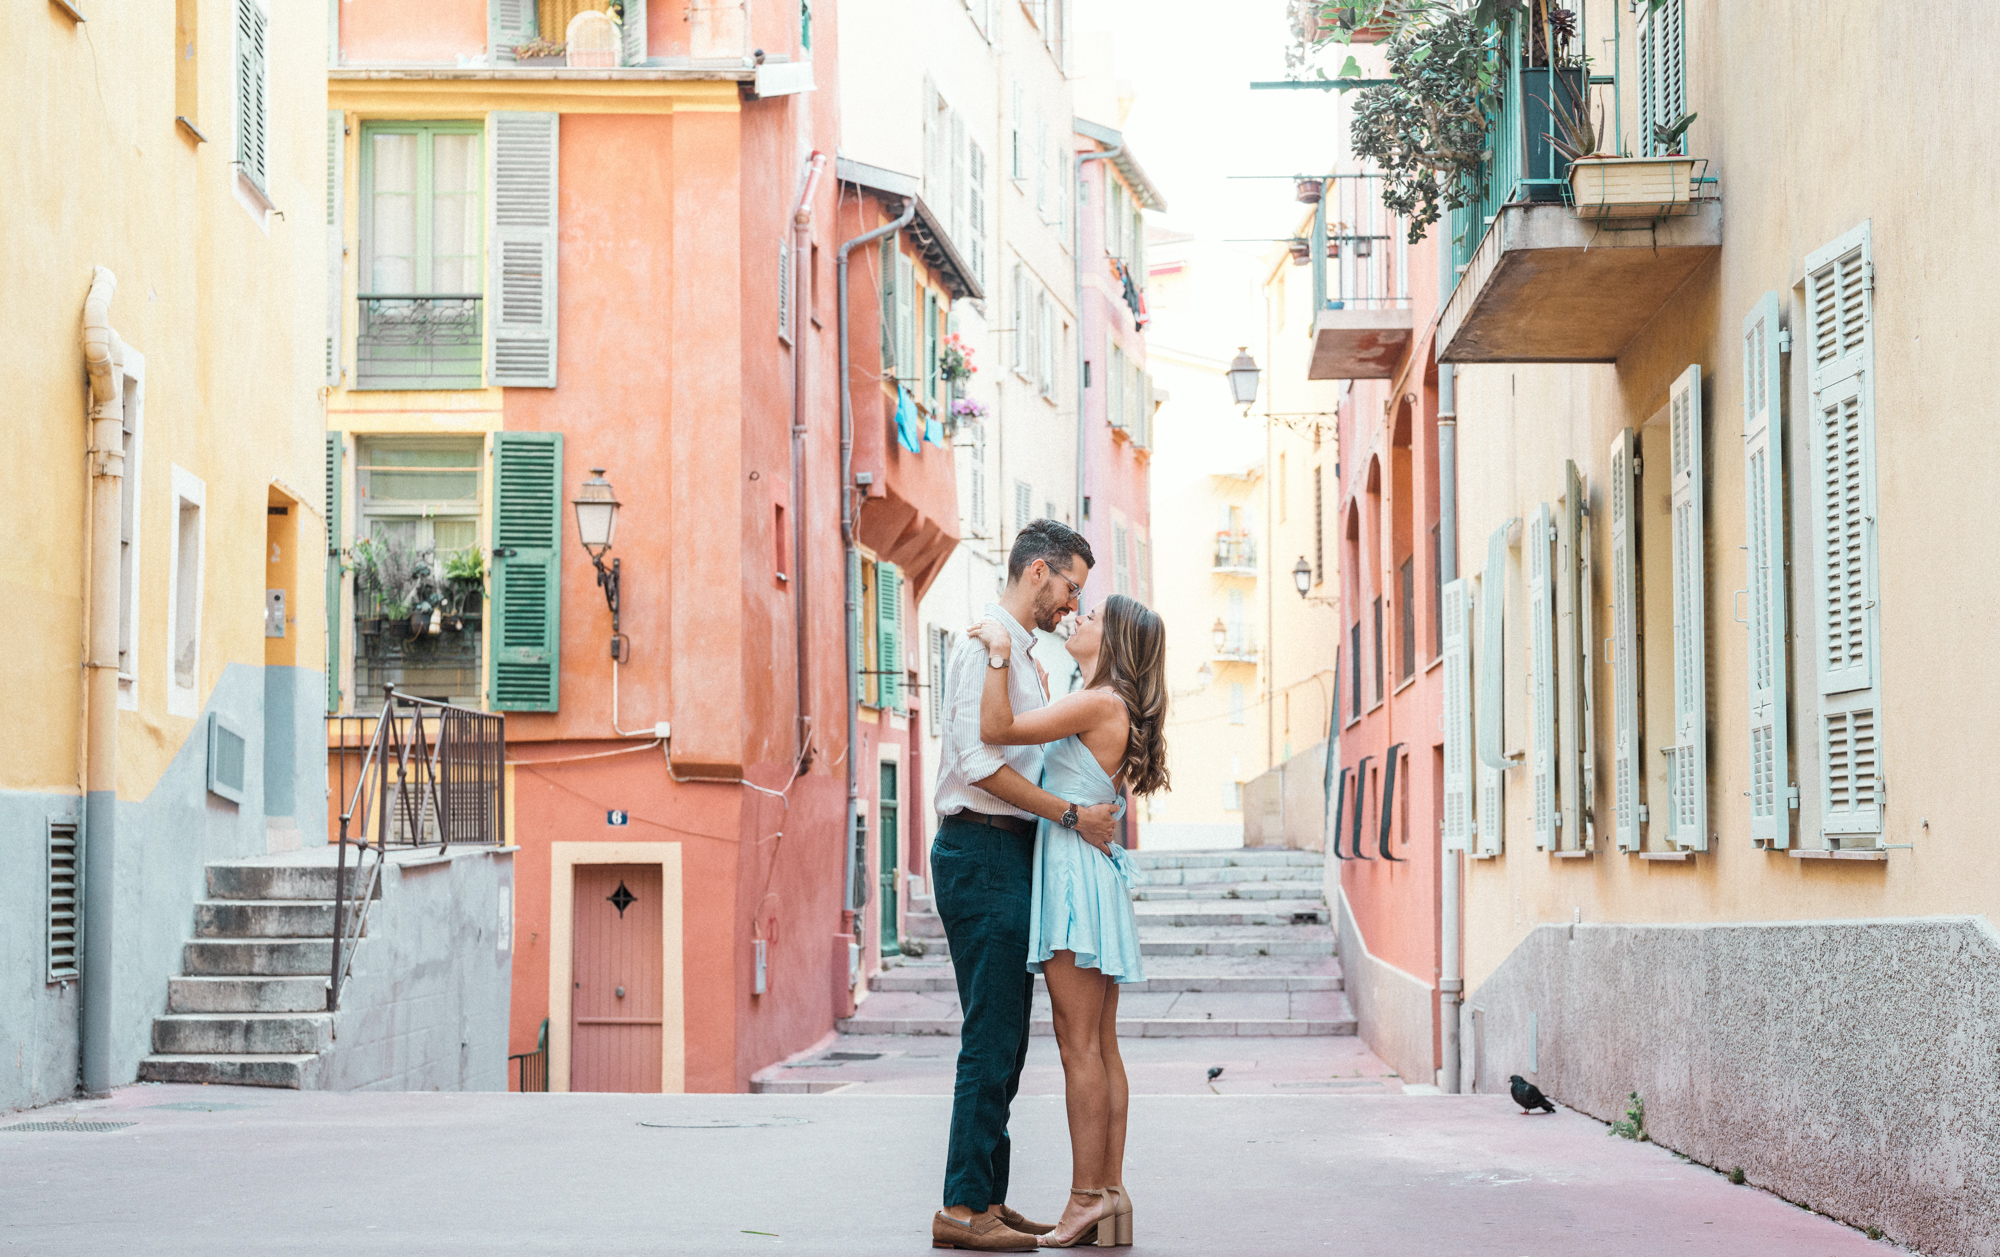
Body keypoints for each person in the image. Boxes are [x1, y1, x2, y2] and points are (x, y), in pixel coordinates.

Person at [930, 520, 1119, 1254]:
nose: (1073, 602)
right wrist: (1072, 814)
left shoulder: (1023, 652)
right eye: (1070, 584)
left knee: (1005, 1041)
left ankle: (988, 1198)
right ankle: (963, 1205)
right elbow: (978, 762)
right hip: (981, 850)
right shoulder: (986, 645)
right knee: (991, 1035)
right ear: (1038, 571)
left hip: (1005, 854)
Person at [968, 593, 1170, 1249]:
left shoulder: (1096, 701)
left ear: (1113, 644)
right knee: (1101, 1044)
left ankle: (1086, 1197)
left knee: (1078, 1043)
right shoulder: (1104, 703)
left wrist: (1000, 652)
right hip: (1094, 874)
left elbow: (995, 728)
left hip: (1075, 879)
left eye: (1094, 618)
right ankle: (1109, 1194)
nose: (1077, 619)